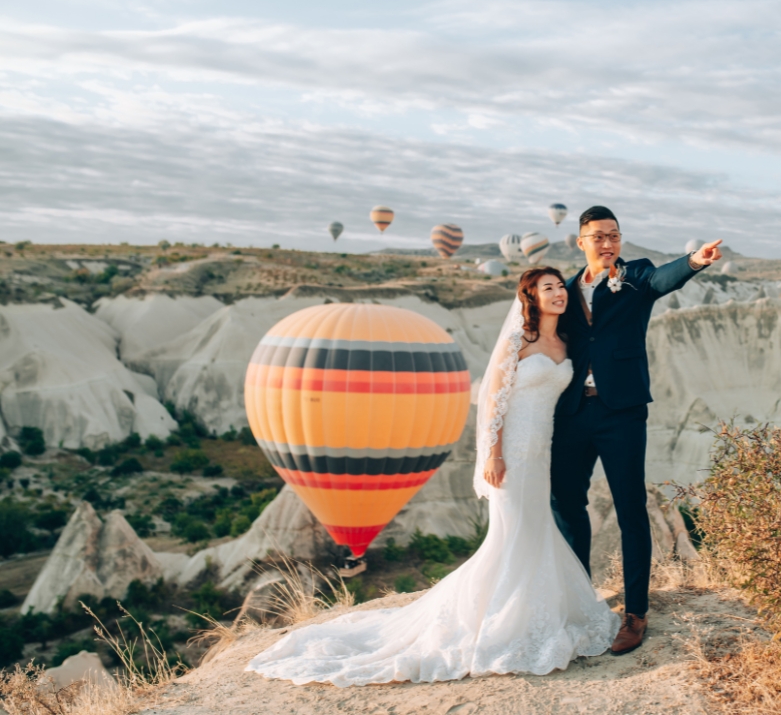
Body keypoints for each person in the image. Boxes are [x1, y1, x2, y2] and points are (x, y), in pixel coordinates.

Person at [246, 267, 620, 686]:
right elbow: (492, 401)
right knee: (511, 537)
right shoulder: (518, 341)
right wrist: (493, 455)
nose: (557, 294)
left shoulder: (566, 342)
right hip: (512, 455)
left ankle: (540, 612)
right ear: (529, 297)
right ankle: (499, 623)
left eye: (559, 287)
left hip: (542, 455)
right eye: (546, 288)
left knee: (536, 531)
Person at [551, 205, 722, 655]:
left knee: (630, 509)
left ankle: (636, 612)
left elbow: (665, 278)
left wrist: (695, 262)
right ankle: (579, 598)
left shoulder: (635, 276)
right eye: (599, 237)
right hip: (571, 411)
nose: (608, 244)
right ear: (581, 241)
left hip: (621, 411)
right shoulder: (565, 291)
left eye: (614, 235)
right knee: (565, 503)